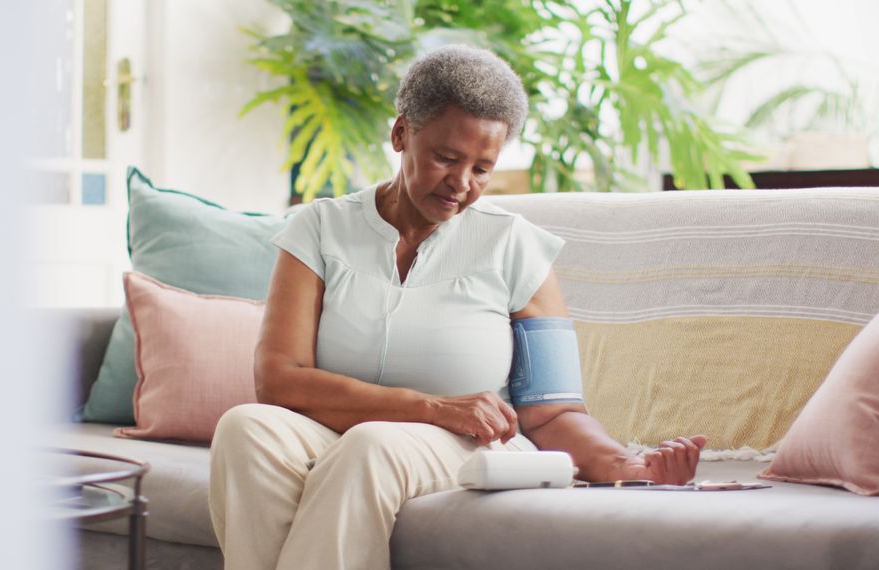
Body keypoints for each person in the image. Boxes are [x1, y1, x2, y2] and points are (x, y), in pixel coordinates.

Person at [209, 44, 707, 570]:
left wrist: (629, 465)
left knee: (371, 445)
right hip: (352, 429)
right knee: (246, 427)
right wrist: (431, 406)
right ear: (401, 134)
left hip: (471, 445)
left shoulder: (515, 246)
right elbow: (279, 381)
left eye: (483, 168)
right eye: (446, 158)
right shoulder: (319, 229)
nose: (462, 184)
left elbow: (553, 410)